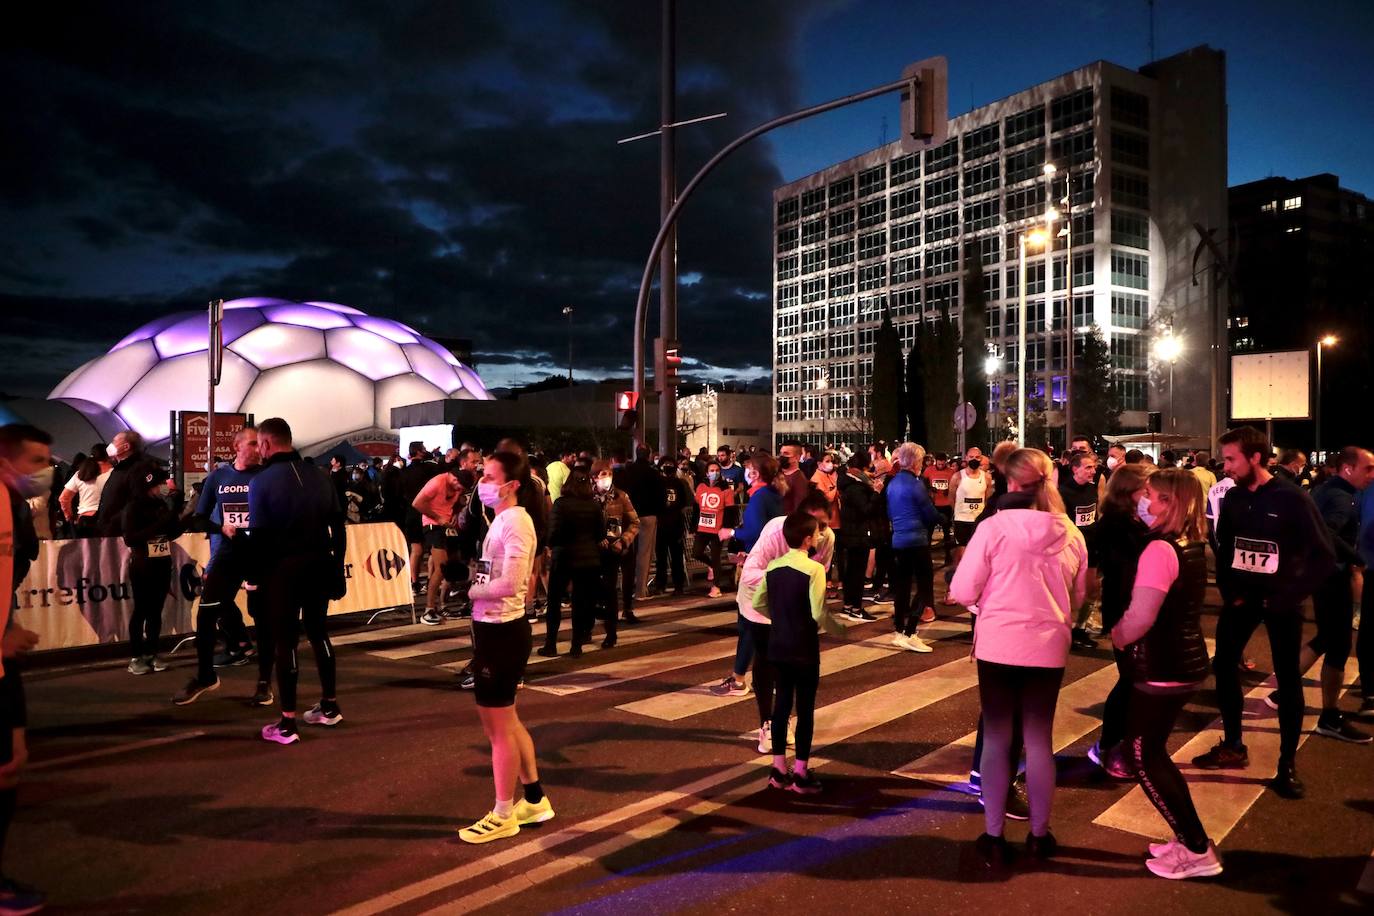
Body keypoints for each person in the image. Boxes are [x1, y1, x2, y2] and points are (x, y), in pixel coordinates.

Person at [949, 448, 1088, 864]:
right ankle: (1039, 835)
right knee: (1039, 739)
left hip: (999, 643)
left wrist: (985, 606)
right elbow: (1080, 597)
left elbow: (961, 590)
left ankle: (994, 834)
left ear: (1009, 482)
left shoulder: (993, 528)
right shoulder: (1072, 533)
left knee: (997, 736)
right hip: (1047, 645)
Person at [1193, 426, 1336, 799]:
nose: (1225, 467)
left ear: (1255, 457)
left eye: (1231, 459)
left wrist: (1289, 596)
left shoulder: (1293, 499)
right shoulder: (1236, 498)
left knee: (1287, 681)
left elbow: (1324, 556)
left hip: (1282, 604)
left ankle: (1286, 765)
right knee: (1224, 666)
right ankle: (1233, 745)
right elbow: (1224, 547)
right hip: (1242, 601)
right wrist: (1230, 592)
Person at [1111, 468, 1222, 880]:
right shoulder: (1191, 543)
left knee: (1143, 756)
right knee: (1154, 752)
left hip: (1163, 664)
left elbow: (1141, 616)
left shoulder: (1160, 549)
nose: (1145, 501)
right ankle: (1186, 838)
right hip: (1182, 660)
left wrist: (1119, 635)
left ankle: (1197, 848)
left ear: (1170, 503)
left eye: (1153, 496)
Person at [457, 450, 552, 843]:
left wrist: (471, 589)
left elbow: (512, 583)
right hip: (496, 630)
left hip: (502, 631)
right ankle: (533, 799)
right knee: (509, 721)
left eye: (491, 477)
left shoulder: (516, 522)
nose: (483, 483)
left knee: (497, 729)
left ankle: (502, 813)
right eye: (483, 475)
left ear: (511, 485)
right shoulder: (502, 520)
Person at [245, 418, 347, 745]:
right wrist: (335, 566)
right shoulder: (320, 476)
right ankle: (329, 706)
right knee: (319, 633)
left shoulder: (261, 482)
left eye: (259, 444)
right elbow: (339, 529)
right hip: (320, 564)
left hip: (283, 570)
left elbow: (258, 539)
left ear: (267, 444)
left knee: (284, 641)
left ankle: (287, 723)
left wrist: (253, 581)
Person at [1278, 446, 1373, 743]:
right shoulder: (1342, 498)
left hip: (1320, 575)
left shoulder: (1325, 489)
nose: (1372, 475)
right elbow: (1326, 532)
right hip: (1331, 576)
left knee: (1329, 639)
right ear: (1347, 468)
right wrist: (1356, 557)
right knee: (1337, 645)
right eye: (1367, 468)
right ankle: (1329, 716)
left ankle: (1286, 691)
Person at [175, 426, 268, 705]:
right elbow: (199, 518)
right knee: (205, 615)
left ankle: (264, 684)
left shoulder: (266, 476)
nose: (258, 448)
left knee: (263, 620)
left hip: (259, 557)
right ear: (237, 446)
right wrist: (221, 528)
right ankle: (205, 676)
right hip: (227, 556)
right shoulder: (218, 476)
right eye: (253, 443)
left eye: (261, 444)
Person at [736, 492, 836, 752]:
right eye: (816, 525)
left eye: (824, 525)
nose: (820, 532)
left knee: (790, 667)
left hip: (793, 609)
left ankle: (783, 719)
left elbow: (820, 574)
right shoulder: (774, 532)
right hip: (759, 602)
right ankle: (766, 723)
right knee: (766, 661)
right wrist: (784, 577)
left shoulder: (826, 539)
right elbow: (749, 574)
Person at [754, 511, 844, 794]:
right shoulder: (815, 569)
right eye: (816, 533)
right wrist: (839, 629)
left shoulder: (773, 567)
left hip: (778, 644)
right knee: (805, 710)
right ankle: (801, 772)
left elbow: (759, 603)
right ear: (807, 539)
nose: (819, 536)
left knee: (781, 707)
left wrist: (779, 617)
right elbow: (818, 611)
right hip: (804, 646)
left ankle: (778, 768)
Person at [0, 425, 48, 914]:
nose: (42, 473)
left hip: (3, 657)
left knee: (12, 764)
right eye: (36, 461)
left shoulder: (12, 505)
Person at [1088, 463, 1153, 775]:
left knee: (1137, 678)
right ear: (1129, 492)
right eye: (1147, 490)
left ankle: (1123, 741)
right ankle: (1107, 744)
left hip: (1140, 607)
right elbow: (1094, 564)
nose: (1152, 496)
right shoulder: (1114, 525)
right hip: (1122, 610)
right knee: (1130, 678)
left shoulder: (1139, 521)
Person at [712, 452, 787, 697]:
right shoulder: (775, 495)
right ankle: (745, 677)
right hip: (771, 563)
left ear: (755, 473)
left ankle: (745, 680)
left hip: (759, 567)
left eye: (749, 468)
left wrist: (731, 533)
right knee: (758, 626)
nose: (746, 472)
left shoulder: (760, 497)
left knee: (749, 624)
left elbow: (755, 531)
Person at [121, 464, 183, 676]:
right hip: (142, 564)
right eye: (158, 484)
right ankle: (136, 656)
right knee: (141, 610)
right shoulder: (133, 507)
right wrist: (162, 524)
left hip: (162, 563)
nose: (161, 488)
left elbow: (172, 532)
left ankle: (152, 653)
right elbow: (131, 537)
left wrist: (179, 514)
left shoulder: (161, 505)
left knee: (156, 611)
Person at [541, 470, 602, 658]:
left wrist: (552, 545)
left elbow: (553, 533)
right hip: (589, 558)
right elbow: (600, 533)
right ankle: (576, 645)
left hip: (564, 557)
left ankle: (551, 644)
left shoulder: (561, 505)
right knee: (581, 602)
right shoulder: (594, 505)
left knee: (554, 602)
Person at [886, 443, 939, 649]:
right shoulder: (915, 484)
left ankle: (899, 630)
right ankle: (911, 632)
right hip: (916, 539)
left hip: (898, 539)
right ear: (916, 461)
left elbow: (890, 512)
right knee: (925, 584)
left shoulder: (893, 483)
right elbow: (928, 512)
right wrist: (942, 519)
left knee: (903, 586)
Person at [590, 461, 639, 652]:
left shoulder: (621, 496)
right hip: (593, 551)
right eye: (602, 474)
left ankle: (611, 633)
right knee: (591, 591)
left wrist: (623, 541)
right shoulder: (587, 496)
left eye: (609, 474)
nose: (606, 478)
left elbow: (634, 522)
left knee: (610, 592)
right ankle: (587, 628)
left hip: (613, 550)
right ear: (594, 477)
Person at [1059, 450, 1104, 650]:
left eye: (1094, 467)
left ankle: (1081, 629)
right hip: (1071, 548)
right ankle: (1062, 630)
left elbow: (1094, 515)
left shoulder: (1092, 489)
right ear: (1075, 469)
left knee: (1092, 589)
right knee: (1069, 591)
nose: (1093, 471)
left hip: (1092, 545)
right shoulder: (1063, 491)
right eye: (1088, 467)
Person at [413, 462, 466, 626]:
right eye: (458, 485)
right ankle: (429, 609)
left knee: (451, 564)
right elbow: (417, 503)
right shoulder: (437, 482)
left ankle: (442, 604)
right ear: (453, 477)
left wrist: (455, 514)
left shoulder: (459, 486)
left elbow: (457, 502)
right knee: (441, 567)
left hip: (447, 525)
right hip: (432, 524)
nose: (458, 489)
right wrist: (438, 518)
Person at [617, 447, 664, 605]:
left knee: (628, 552)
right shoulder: (653, 473)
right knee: (644, 553)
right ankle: (640, 591)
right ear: (649, 455)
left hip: (629, 515)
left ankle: (626, 588)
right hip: (648, 515)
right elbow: (660, 496)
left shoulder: (627, 471)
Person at [836, 454, 879, 622]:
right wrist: (876, 493)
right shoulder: (856, 487)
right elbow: (866, 510)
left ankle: (848, 606)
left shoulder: (848, 483)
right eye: (868, 468)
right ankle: (856, 608)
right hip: (857, 534)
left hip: (851, 532)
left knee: (851, 571)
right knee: (857, 572)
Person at [94, 430, 156, 536]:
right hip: (111, 531)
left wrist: (113, 522)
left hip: (122, 533)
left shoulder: (137, 469)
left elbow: (137, 501)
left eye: (115, 441)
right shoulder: (119, 469)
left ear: (126, 447)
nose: (111, 444)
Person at [399, 442, 442, 596]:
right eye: (423, 449)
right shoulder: (429, 469)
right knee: (433, 550)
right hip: (428, 513)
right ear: (419, 451)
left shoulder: (404, 472)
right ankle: (432, 582)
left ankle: (414, 583)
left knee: (416, 550)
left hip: (411, 513)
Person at [692, 461, 736, 598]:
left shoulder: (725, 489)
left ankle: (716, 587)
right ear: (706, 472)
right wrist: (693, 526)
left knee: (716, 557)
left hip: (718, 529)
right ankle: (711, 566)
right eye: (712, 470)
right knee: (696, 552)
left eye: (717, 470)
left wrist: (727, 528)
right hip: (702, 527)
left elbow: (730, 510)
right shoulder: (700, 487)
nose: (714, 472)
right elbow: (696, 507)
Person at [655, 458, 692, 597]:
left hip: (676, 524)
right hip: (661, 524)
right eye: (665, 466)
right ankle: (660, 585)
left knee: (676, 557)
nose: (668, 468)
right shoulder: (657, 483)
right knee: (661, 557)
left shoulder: (680, 483)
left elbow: (687, 502)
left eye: (670, 466)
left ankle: (678, 585)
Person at [59, 444, 111, 537]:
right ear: (109, 455)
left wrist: (69, 516)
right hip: (108, 520)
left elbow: (63, 498)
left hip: (84, 520)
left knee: (86, 551)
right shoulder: (115, 473)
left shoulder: (81, 473)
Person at [921, 453, 956, 564]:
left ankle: (948, 557)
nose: (941, 464)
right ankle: (926, 557)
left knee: (946, 532)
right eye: (939, 462)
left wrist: (949, 490)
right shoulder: (929, 470)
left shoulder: (951, 472)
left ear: (946, 461)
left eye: (943, 462)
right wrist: (930, 488)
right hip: (933, 505)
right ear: (936, 461)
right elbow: (923, 483)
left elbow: (955, 486)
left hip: (946, 505)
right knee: (929, 532)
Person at [777, 440, 812, 515]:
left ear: (797, 457)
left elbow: (799, 509)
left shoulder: (799, 480)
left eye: (786, 454)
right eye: (781, 453)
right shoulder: (779, 475)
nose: (782, 456)